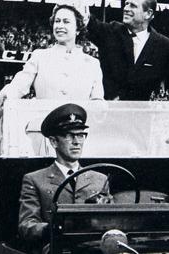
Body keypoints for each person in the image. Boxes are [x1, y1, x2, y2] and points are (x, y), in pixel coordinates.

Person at [18, 103, 109, 249]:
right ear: (54, 141)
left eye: (81, 135)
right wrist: (55, 228)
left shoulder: (100, 179)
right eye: (69, 136)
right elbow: (27, 226)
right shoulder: (34, 180)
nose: (77, 142)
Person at [0, 0, 104, 111]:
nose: (60, 26)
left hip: (78, 129)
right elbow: (19, 84)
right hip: (43, 128)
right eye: (57, 21)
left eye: (66, 21)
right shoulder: (39, 56)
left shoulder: (92, 64)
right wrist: (3, 95)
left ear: (78, 29)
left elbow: (97, 103)